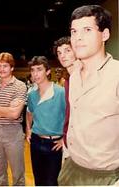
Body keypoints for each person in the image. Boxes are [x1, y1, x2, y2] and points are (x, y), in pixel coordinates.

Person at [58, 5, 119, 185]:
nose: (78, 38)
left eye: (87, 30)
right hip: (71, 169)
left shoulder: (116, 74)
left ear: (105, 35)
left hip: (105, 177)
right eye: (74, 31)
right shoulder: (74, 74)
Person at [0, 52, 26, 186]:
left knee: (17, 174)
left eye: (5, 66)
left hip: (13, 132)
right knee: (0, 174)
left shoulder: (20, 86)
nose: (1, 69)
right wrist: (8, 109)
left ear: (12, 68)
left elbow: (15, 115)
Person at [26, 56, 65, 186]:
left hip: (54, 144)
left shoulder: (60, 92)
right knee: (39, 181)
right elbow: (29, 113)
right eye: (32, 70)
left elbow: (72, 117)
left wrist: (64, 139)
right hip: (36, 142)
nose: (35, 74)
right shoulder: (31, 94)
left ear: (48, 71)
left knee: (52, 182)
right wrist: (28, 130)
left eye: (39, 69)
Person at [53, 36, 76, 158]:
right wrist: (64, 136)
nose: (63, 56)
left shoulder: (84, 78)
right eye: (59, 53)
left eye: (67, 50)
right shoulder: (67, 80)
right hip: (69, 140)